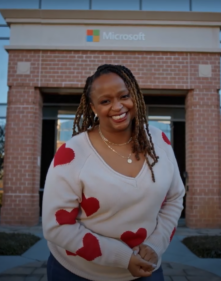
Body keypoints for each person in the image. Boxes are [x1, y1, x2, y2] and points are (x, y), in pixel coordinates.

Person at [42, 64, 185, 281]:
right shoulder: (72, 154)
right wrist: (123, 258)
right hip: (77, 273)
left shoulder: (159, 142)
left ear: (135, 95)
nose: (118, 106)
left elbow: (174, 198)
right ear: (93, 107)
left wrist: (155, 245)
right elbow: (56, 226)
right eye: (105, 101)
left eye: (124, 96)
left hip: (147, 270)